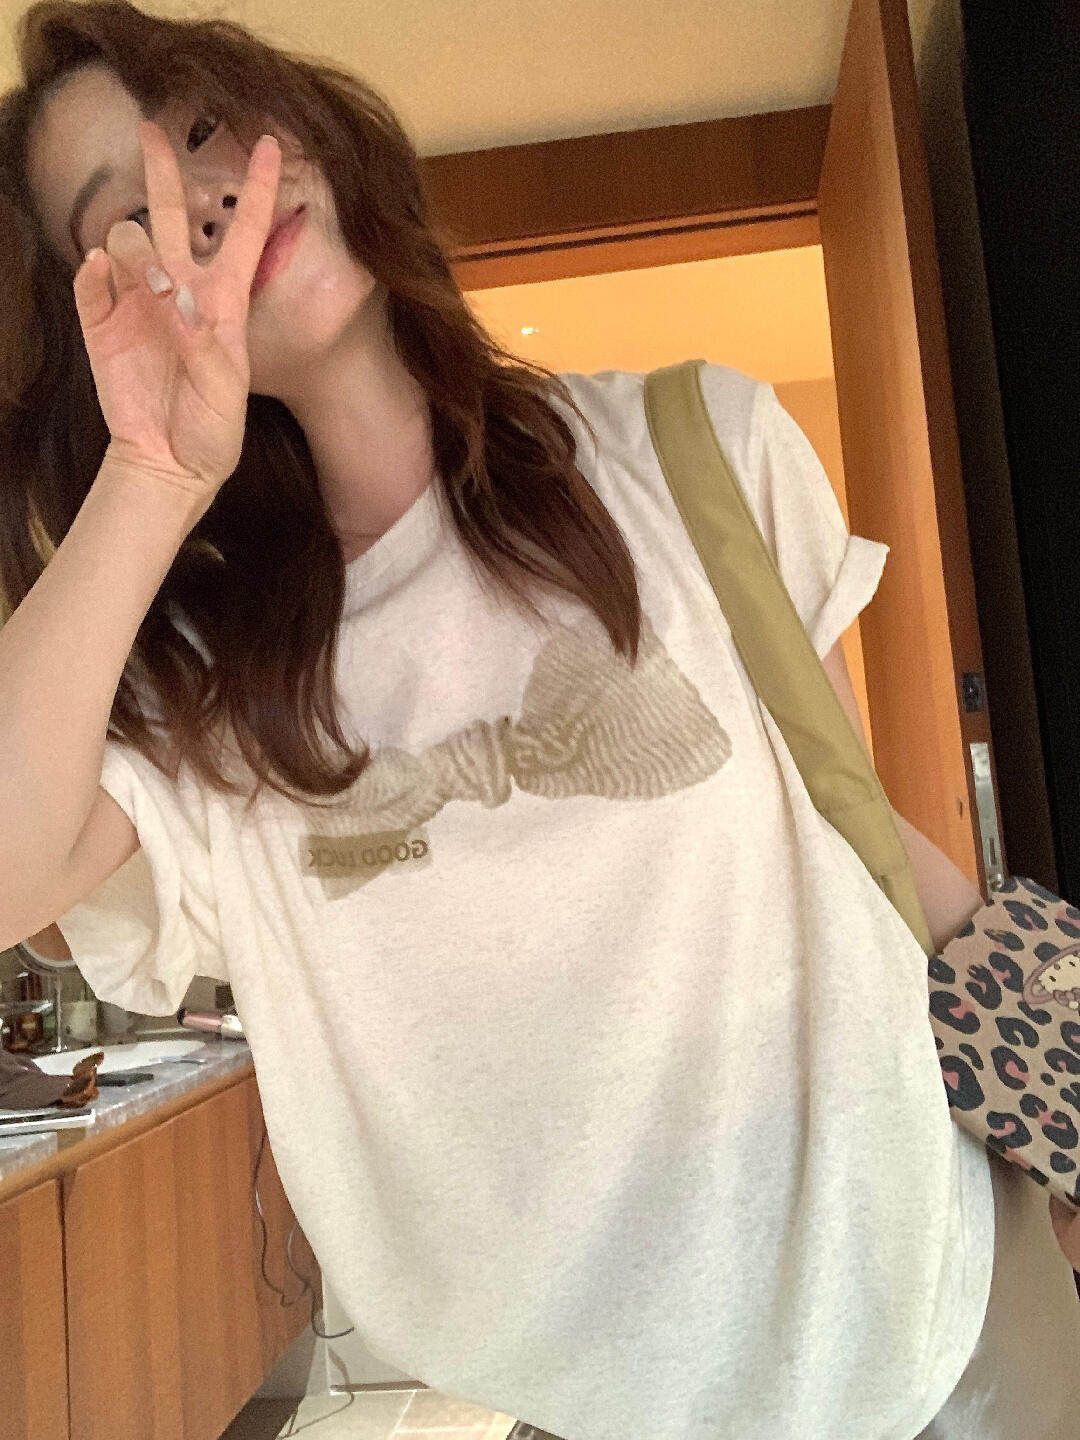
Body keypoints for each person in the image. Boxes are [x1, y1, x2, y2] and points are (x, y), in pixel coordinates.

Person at [0, 5, 1075, 1439]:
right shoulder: (201, 696)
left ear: (301, 126)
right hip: (600, 1410)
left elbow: (848, 832)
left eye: (205, 130)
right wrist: (149, 478)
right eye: (129, 217)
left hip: (948, 1338)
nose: (199, 197)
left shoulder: (697, 447)